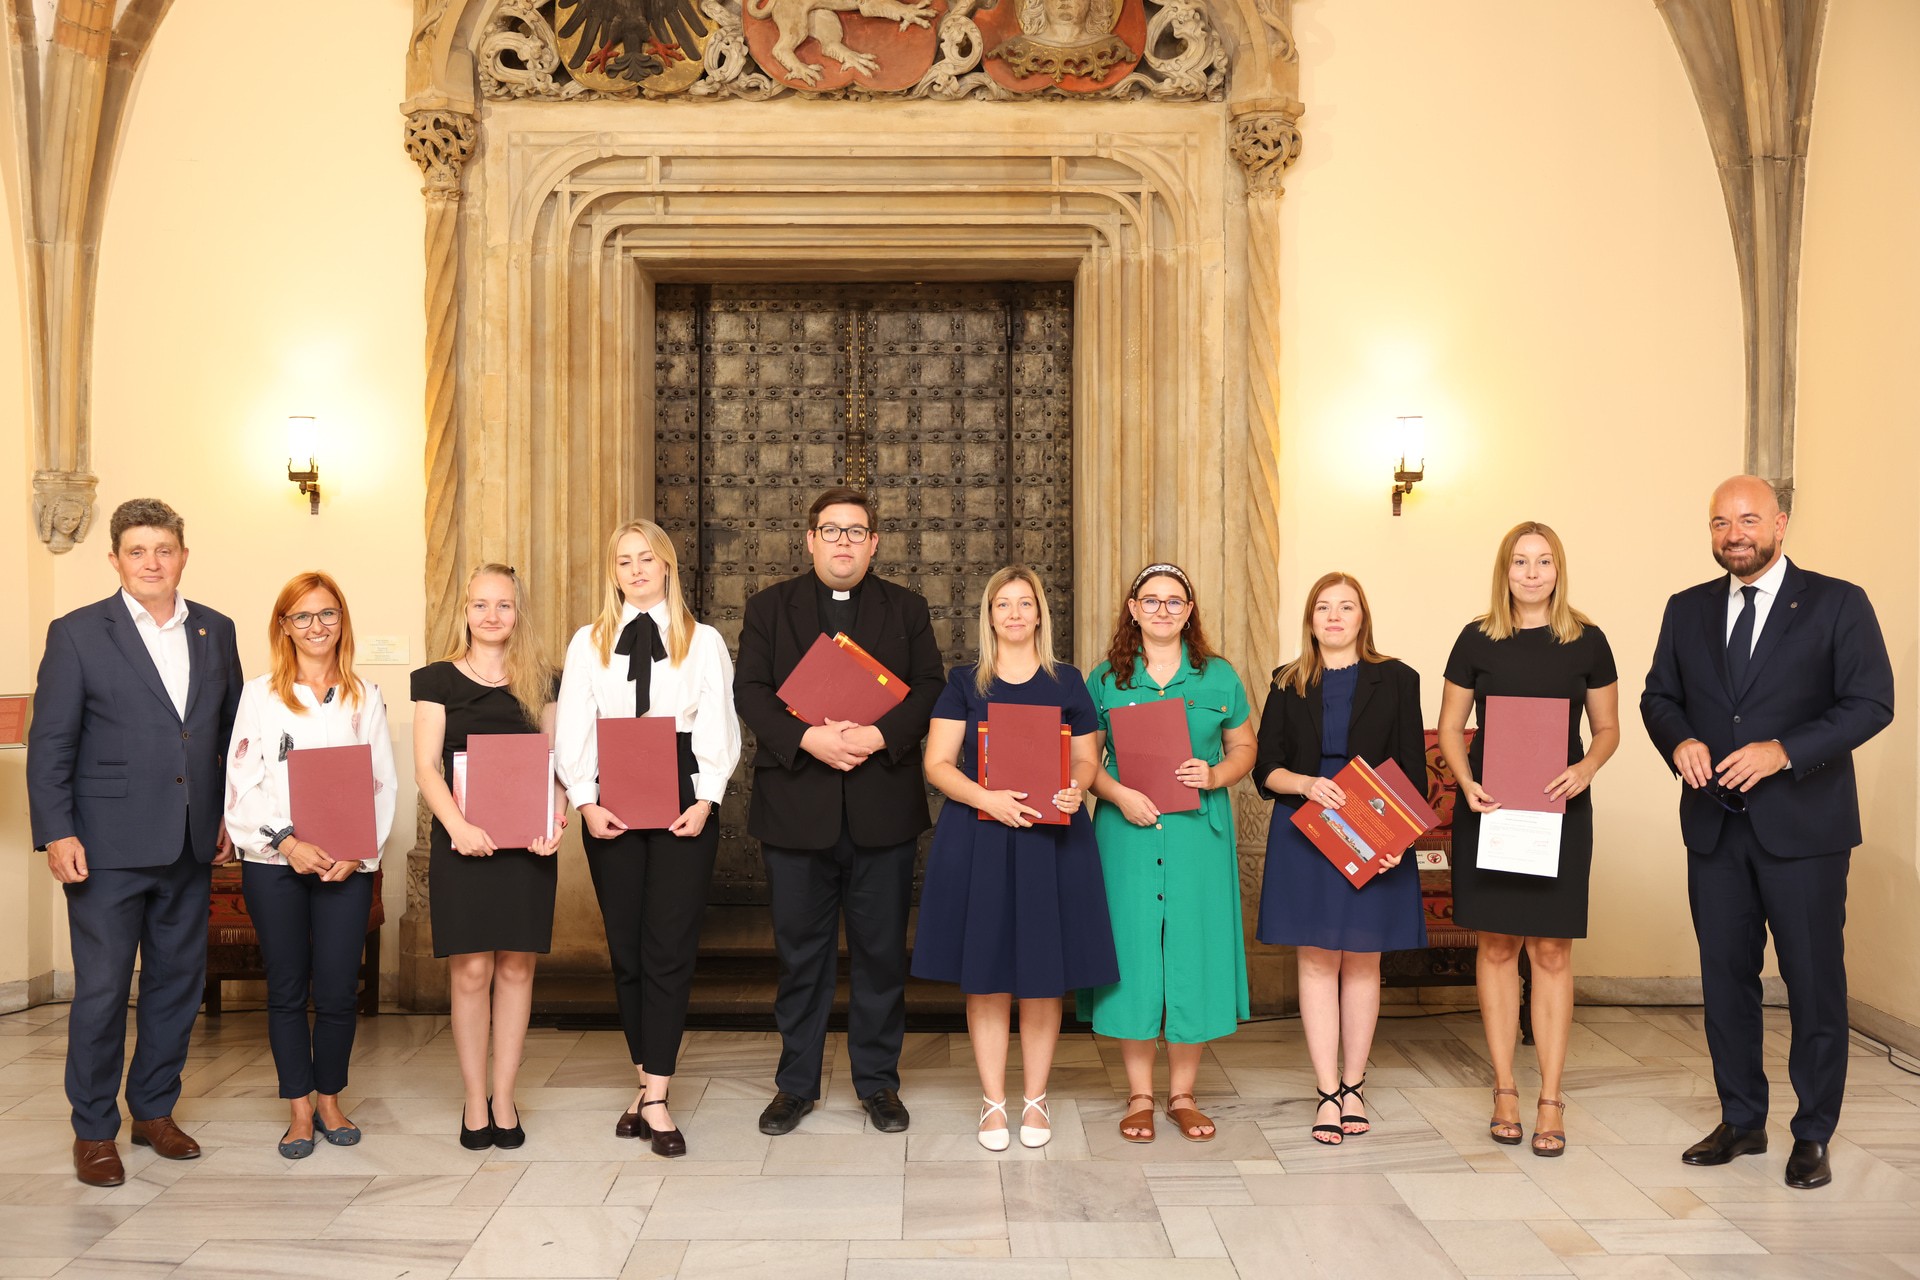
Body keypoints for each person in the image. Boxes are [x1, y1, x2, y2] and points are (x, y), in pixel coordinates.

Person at [1641, 476, 1893, 1191]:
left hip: (1806, 830)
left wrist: (1785, 751)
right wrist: (1680, 741)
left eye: (1749, 520)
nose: (1734, 535)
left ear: (1780, 524)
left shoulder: (1838, 602)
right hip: (1714, 828)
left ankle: (1812, 1132)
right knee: (1725, 980)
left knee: (1813, 983)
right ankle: (1742, 1119)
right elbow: (1659, 696)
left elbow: (1871, 702)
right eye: (1721, 523)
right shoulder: (1686, 608)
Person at [26, 498, 243, 1187]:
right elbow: (51, 742)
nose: (152, 562)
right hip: (105, 847)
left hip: (190, 842)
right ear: (115, 559)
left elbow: (230, 736)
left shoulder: (216, 629)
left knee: (177, 986)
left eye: (164, 549)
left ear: (184, 556)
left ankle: (153, 1111)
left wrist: (229, 814)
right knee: (101, 992)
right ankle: (94, 1130)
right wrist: (57, 831)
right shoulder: (77, 633)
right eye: (138, 551)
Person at [733, 487, 945, 1136]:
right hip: (796, 811)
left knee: (881, 957)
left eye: (856, 531)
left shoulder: (905, 608)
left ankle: (878, 1083)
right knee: (801, 957)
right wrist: (807, 739)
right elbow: (751, 691)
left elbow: (930, 687)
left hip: (882, 809)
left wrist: (880, 736)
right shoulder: (770, 608)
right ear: (811, 539)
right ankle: (795, 1084)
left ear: (873, 543)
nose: (843, 542)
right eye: (832, 530)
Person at [912, 566, 1118, 1150]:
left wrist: (1077, 788)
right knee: (986, 976)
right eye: (1003, 604)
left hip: (1053, 842)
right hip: (981, 836)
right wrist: (988, 799)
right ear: (990, 615)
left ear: (1040, 614)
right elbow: (936, 764)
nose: (1015, 613)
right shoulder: (963, 683)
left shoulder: (1068, 681)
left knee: (1043, 976)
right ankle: (993, 1103)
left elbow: (1087, 760)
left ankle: (1034, 1099)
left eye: (1025, 603)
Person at [556, 520, 741, 1158]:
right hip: (611, 789)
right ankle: (645, 1081)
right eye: (624, 561)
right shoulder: (589, 642)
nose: (636, 570)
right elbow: (575, 725)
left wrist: (706, 798)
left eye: (646, 559)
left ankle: (656, 1095)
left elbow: (719, 722)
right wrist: (585, 799)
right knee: (628, 949)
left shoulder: (702, 639)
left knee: (669, 948)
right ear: (613, 573)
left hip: (682, 786)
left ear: (666, 566)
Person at [1438, 522, 1619, 1158]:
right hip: (1490, 809)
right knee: (1495, 947)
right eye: (1521, 562)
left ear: (1558, 569)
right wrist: (1465, 782)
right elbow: (1451, 727)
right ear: (1505, 570)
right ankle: (1505, 1090)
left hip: (1559, 811)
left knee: (1551, 952)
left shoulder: (1588, 641)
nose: (1532, 573)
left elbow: (1607, 729)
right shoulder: (1476, 638)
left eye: (1544, 561)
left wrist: (1585, 769)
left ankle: (1551, 1098)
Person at [224, 573, 396, 1158]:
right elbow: (242, 781)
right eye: (302, 616)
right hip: (275, 863)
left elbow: (381, 781)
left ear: (342, 621)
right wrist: (289, 842)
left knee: (339, 988)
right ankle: (299, 1109)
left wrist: (358, 851)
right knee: (287, 987)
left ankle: (329, 1100)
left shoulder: (364, 695)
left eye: (327, 614)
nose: (316, 626)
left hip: (347, 864)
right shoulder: (259, 695)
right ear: (284, 626)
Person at [1082, 562, 1255, 1143]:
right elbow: (1085, 760)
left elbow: (1244, 747)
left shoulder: (1219, 676)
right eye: (1151, 600)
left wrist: (1214, 774)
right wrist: (1118, 795)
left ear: (1189, 610)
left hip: (1196, 836)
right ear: (1133, 609)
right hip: (1126, 833)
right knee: (1133, 952)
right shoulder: (1106, 679)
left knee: (1191, 952)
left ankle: (1182, 1094)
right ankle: (1139, 1095)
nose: (1162, 610)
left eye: (1174, 601)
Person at [1254, 573, 1428, 1145]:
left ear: (1362, 617)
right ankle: (1327, 1090)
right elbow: (1265, 769)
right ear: (1310, 619)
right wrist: (1306, 784)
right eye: (1323, 607)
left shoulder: (1398, 678)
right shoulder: (1286, 681)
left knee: (1362, 961)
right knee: (1315, 962)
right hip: (1306, 830)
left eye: (1346, 606)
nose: (1334, 616)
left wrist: (1395, 841)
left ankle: (1355, 1085)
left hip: (1373, 829)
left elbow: (1412, 769)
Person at [412, 564, 564, 1152]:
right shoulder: (436, 680)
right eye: (480, 604)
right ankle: (475, 1099)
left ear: (518, 612)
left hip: (527, 847)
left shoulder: (545, 681)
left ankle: (505, 1096)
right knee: (472, 971)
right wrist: (458, 827)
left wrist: (554, 820)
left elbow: (557, 764)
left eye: (503, 604)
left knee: (518, 969)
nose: (491, 615)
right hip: (462, 842)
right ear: (466, 611)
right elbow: (426, 767)